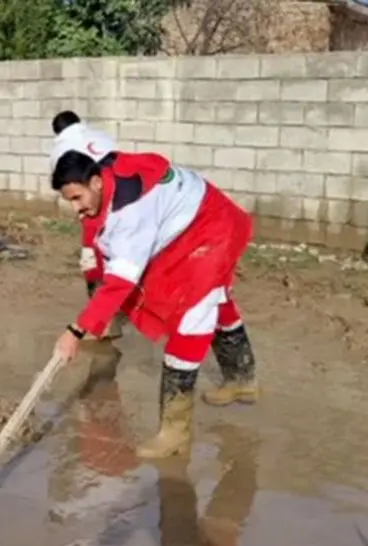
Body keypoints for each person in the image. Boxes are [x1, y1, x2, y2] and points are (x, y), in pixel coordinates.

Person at [47, 135, 261, 459]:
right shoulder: (107, 173)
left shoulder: (131, 211)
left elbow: (119, 283)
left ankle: (175, 433)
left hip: (210, 228)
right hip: (194, 218)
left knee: (191, 315)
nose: (76, 210)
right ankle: (243, 378)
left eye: (77, 198)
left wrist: (75, 331)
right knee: (215, 298)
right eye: (70, 202)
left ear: (95, 182)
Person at [50, 111, 123, 340]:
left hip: (97, 210)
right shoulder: (101, 137)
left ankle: (103, 325)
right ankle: (113, 315)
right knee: (118, 260)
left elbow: (64, 183)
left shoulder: (62, 149)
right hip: (121, 204)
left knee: (92, 262)